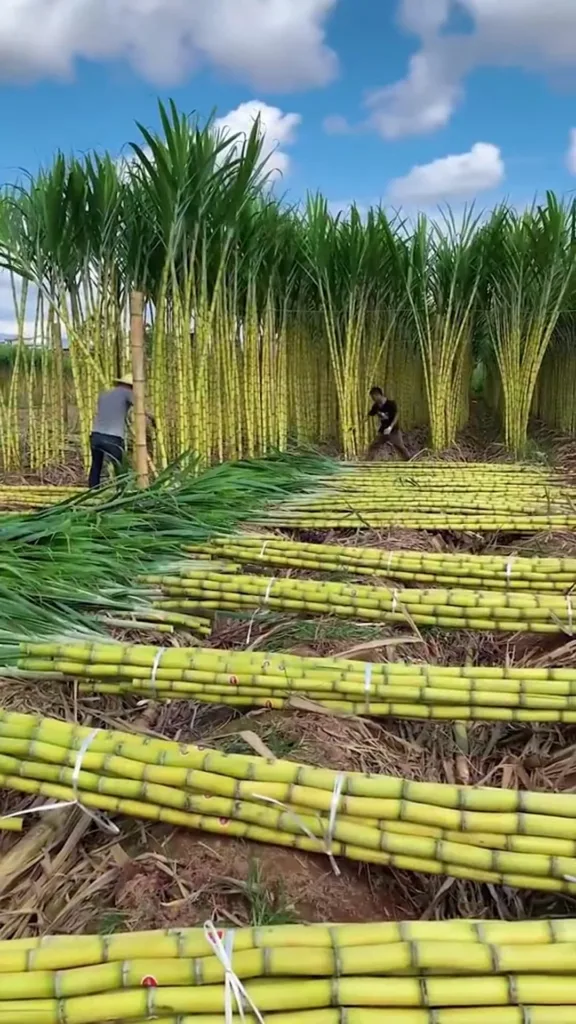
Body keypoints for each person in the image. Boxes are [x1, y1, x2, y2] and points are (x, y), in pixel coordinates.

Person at [88, 374, 155, 488]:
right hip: (113, 438)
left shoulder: (104, 395)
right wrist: (153, 419)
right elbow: (141, 408)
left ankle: (92, 492)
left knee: (96, 466)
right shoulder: (127, 393)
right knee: (120, 467)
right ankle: (121, 494)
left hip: (96, 435)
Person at [366, 386, 410, 461]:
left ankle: (409, 461)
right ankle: (367, 462)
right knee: (374, 446)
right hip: (383, 430)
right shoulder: (376, 406)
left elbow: (396, 416)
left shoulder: (391, 404)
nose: (373, 399)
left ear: (378, 395)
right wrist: (357, 424)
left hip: (393, 430)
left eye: (373, 397)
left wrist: (390, 427)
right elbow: (369, 415)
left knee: (399, 446)